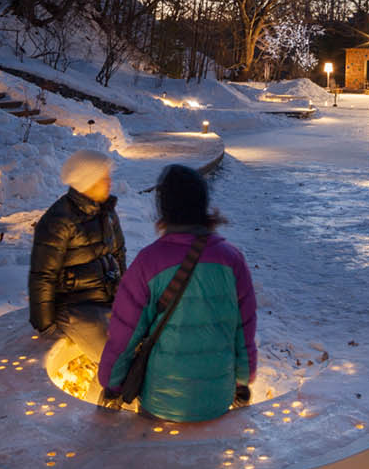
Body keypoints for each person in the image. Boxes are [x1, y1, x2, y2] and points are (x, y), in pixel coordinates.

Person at [98, 165, 257, 422]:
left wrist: (112, 383)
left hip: (161, 401)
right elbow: (244, 329)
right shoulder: (232, 259)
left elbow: (124, 334)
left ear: (164, 208)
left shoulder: (148, 262)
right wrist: (242, 381)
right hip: (218, 398)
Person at [28, 150, 126, 363]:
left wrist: (126, 295)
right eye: (103, 178)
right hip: (76, 308)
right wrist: (45, 326)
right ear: (86, 182)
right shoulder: (58, 221)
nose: (109, 182)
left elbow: (119, 254)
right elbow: (42, 275)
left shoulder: (107, 212)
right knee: (115, 361)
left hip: (108, 299)